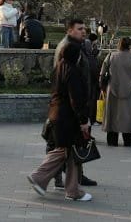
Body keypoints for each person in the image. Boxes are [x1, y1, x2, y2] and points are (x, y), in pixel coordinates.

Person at [27, 20, 93, 202]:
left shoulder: (61, 67)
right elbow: (75, 97)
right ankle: (39, 176)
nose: (84, 32)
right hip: (68, 116)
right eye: (80, 29)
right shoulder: (72, 70)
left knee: (70, 152)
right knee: (64, 150)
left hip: (59, 114)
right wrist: (83, 120)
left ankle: (72, 190)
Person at [100, 37, 131, 146]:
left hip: (113, 89)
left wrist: (102, 87)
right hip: (130, 89)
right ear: (129, 45)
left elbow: (102, 73)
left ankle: (112, 139)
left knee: (112, 115)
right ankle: (128, 139)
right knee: (128, 115)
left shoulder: (111, 56)